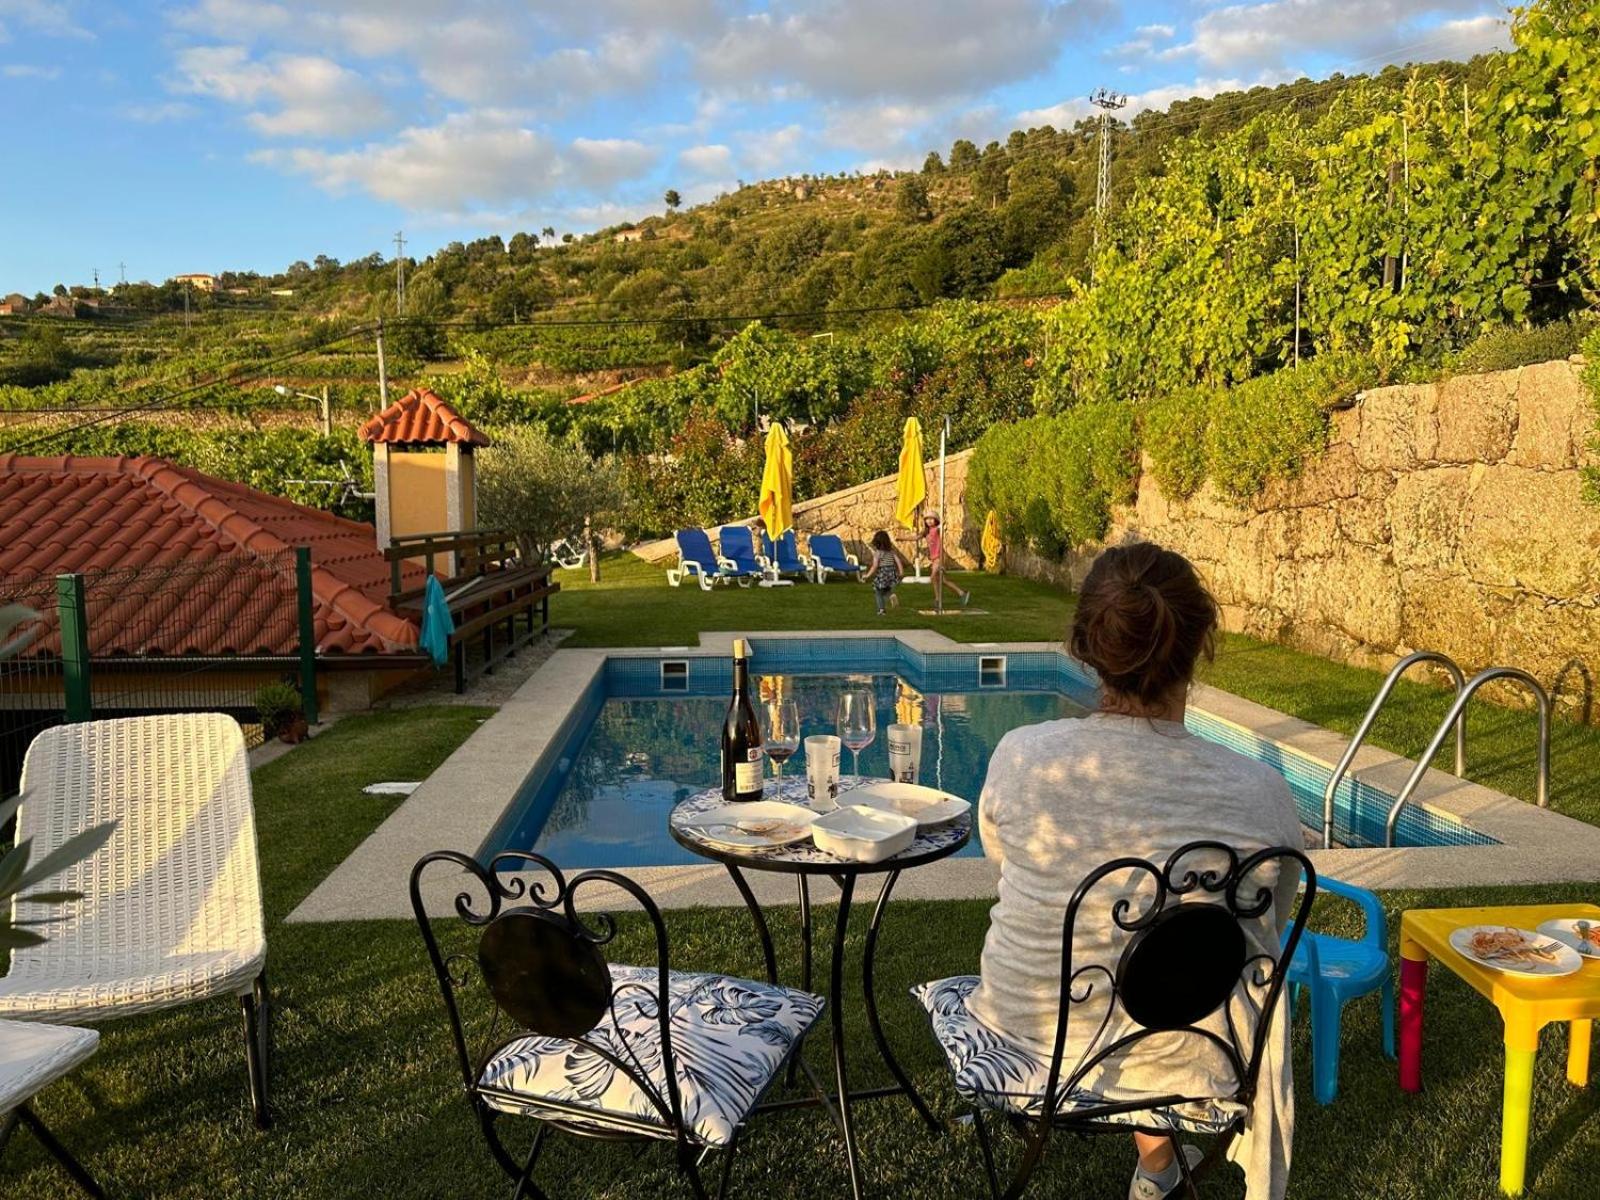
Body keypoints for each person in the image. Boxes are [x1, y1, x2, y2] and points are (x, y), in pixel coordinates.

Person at [969, 542, 1305, 1200]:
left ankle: (1156, 1164)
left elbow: (1004, 866)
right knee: (1165, 977)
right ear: (1201, 642)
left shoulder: (1022, 757)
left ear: (1088, 644)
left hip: (1025, 1046)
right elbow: (1269, 923)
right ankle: (1157, 1165)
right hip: (1196, 1067)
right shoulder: (1262, 792)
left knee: (1110, 964)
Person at [918, 513, 969, 612]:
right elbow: (916, 538)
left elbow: (941, 528)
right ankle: (961, 593)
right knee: (942, 580)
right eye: (927, 519)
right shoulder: (926, 532)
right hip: (934, 559)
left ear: (936, 520)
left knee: (933, 577)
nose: (929, 521)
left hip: (939, 557)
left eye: (931, 519)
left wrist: (942, 523)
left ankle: (937, 599)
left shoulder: (936, 530)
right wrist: (902, 538)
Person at [862, 529, 906, 615]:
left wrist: (867, 575)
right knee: (886, 589)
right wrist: (901, 572)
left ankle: (881, 610)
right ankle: (891, 595)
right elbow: (898, 561)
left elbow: (875, 566)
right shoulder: (891, 552)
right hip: (891, 573)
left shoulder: (877, 553)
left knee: (878, 592)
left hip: (883, 573)